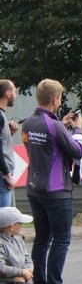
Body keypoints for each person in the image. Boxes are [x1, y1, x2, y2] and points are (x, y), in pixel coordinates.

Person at [21, 79, 82, 284]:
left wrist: (61, 124)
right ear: (55, 99)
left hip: (34, 188)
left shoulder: (29, 122)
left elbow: (48, 143)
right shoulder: (55, 126)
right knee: (61, 240)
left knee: (42, 240)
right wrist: (77, 130)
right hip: (56, 189)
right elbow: (77, 151)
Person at [0, 206, 47, 284]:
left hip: (19, 282)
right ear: (12, 226)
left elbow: (28, 259)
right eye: (19, 223)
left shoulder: (18, 240)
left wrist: (25, 275)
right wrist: (21, 272)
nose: (22, 225)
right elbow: (1, 267)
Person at [0, 79, 19, 207]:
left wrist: (10, 133)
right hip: (2, 177)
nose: (15, 95)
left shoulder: (2, 115)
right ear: (8, 93)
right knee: (3, 222)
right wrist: (7, 174)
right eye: (14, 91)